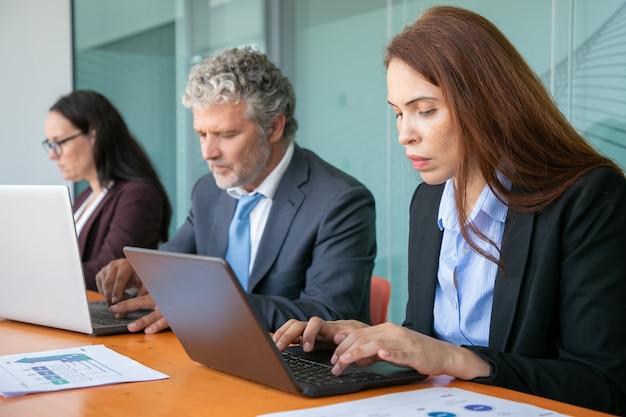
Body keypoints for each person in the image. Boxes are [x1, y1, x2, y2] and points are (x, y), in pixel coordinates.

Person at [272, 6, 626, 415]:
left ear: (487, 101)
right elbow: (427, 340)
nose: (404, 134)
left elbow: (604, 386)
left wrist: (457, 358)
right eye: (398, 113)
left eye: (425, 110)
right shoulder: (429, 202)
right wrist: (367, 339)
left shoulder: (589, 198)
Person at [95, 47, 377, 334]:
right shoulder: (208, 191)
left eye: (226, 135)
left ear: (274, 127)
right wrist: (138, 271)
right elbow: (172, 263)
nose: (208, 152)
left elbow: (329, 314)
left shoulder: (340, 201)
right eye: (202, 134)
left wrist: (212, 306)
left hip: (298, 362)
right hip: (211, 351)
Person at [43, 90, 172, 291]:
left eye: (58, 143)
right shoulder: (86, 196)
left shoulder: (138, 196)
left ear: (94, 135)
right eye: (49, 144)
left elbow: (106, 274)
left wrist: (36, 275)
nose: (52, 155)